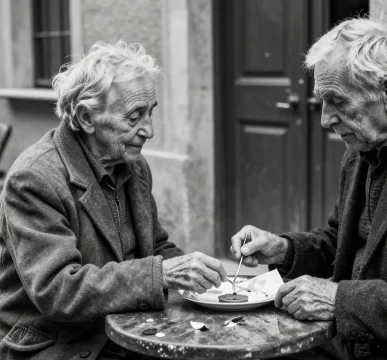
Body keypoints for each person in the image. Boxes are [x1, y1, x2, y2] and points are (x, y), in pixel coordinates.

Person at [231, 17, 387, 360]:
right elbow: (341, 243)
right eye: (322, 101)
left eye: (337, 101)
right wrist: (284, 250)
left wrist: (337, 300)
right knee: (244, 342)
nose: (325, 119)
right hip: (357, 339)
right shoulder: (364, 145)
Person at [0, 40, 227, 360]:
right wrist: (162, 274)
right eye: (134, 116)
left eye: (151, 113)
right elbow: (59, 291)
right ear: (86, 117)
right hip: (61, 343)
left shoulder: (132, 163)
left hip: (126, 326)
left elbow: (156, 247)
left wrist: (206, 277)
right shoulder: (35, 179)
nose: (148, 130)